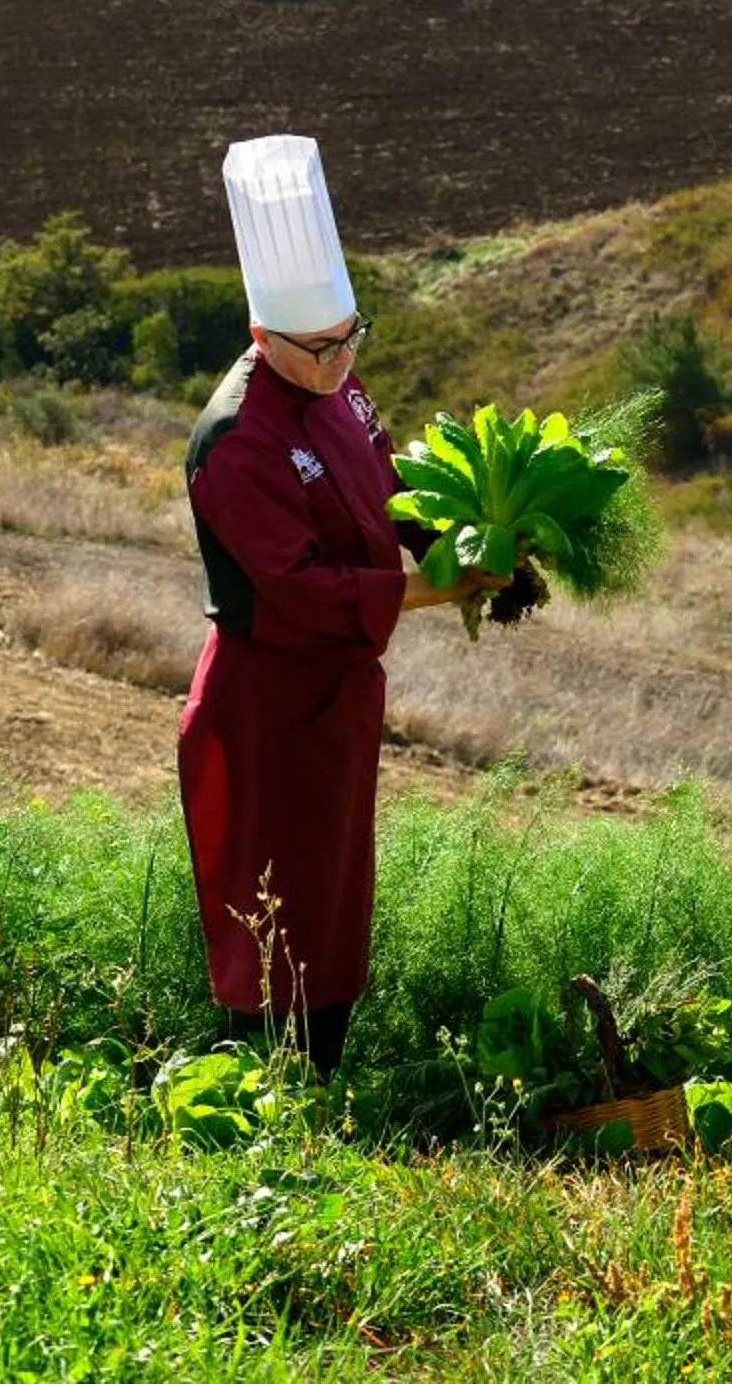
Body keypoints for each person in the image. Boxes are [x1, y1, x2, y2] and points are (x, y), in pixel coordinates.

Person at [176, 135, 500, 1080]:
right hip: (265, 705)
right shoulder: (235, 442)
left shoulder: (337, 380)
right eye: (322, 348)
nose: (343, 362)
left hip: (337, 700)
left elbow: (389, 480)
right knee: (273, 909)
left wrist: (461, 532)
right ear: (261, 338)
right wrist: (428, 587)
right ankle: (264, 1101)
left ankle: (322, 1085)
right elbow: (300, 587)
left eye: (354, 338)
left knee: (336, 898)